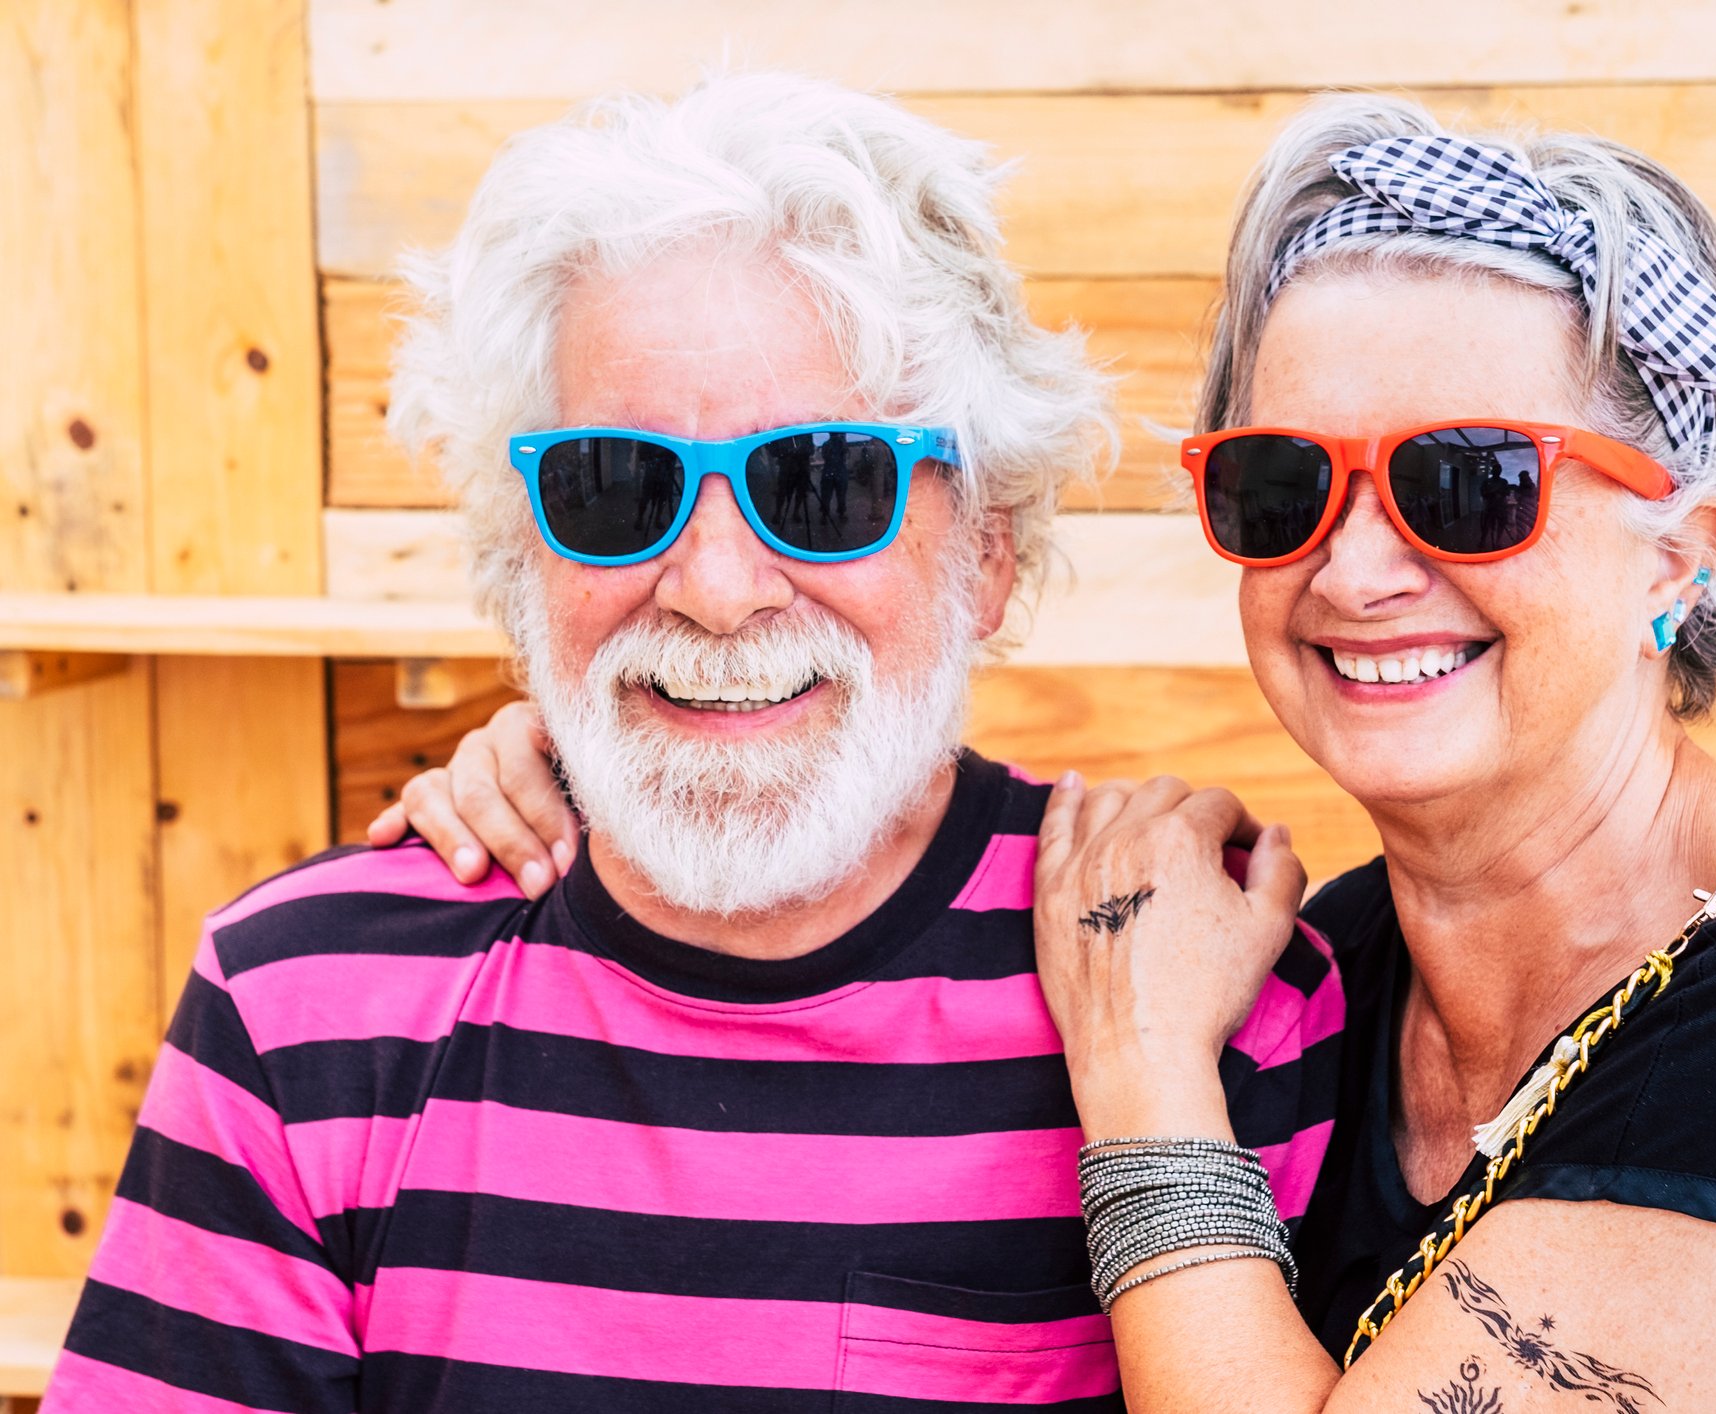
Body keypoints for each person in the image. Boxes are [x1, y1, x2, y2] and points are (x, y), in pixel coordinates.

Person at [408, 97, 1716, 1411]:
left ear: (1679, 549)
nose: (1357, 567)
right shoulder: (1335, 969)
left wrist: (1145, 1074)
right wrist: (633, 747)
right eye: (1282, 486)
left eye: (1466, 481)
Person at [40, 73, 1342, 1414]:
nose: (716, 588)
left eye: (821, 484)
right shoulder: (303, 1003)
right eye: (617, 486)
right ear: (520, 555)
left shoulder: (1206, 998)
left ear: (989, 554)